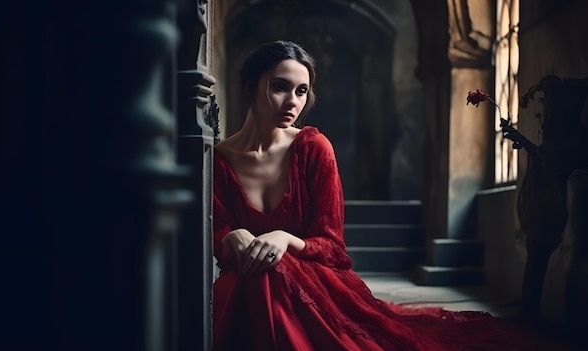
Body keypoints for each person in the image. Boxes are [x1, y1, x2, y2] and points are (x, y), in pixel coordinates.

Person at [212, 40, 543, 351]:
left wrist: (285, 239)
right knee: (251, 277)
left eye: (301, 91)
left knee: (269, 271)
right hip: (248, 282)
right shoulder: (217, 159)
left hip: (313, 280)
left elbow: (331, 247)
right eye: (280, 87)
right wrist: (231, 237)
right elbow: (214, 230)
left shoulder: (313, 148)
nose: (293, 101)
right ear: (250, 85)